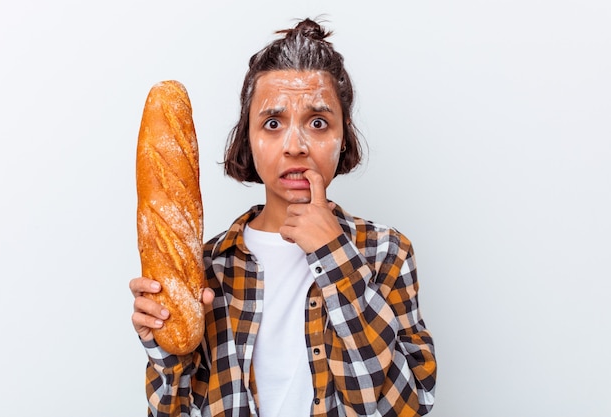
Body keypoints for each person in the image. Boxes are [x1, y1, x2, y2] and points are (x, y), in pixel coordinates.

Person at [130, 18, 436, 417]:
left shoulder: (385, 253)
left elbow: (408, 407)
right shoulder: (206, 268)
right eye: (273, 123)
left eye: (318, 122)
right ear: (248, 139)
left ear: (344, 138)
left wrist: (335, 256)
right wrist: (166, 348)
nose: (295, 146)